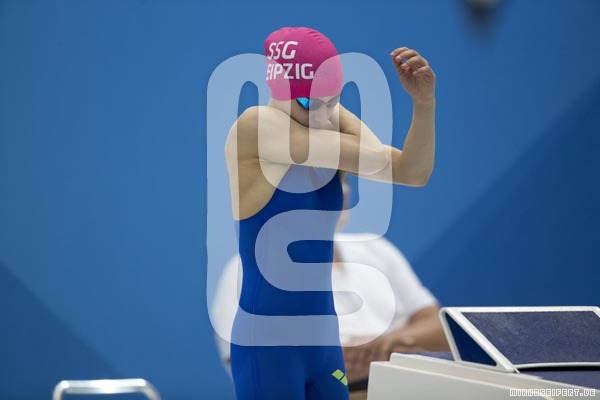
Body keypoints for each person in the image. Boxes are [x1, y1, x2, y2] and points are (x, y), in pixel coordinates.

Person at [224, 26, 436, 400]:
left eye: (332, 101)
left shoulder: (322, 122)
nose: (322, 115)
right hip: (270, 344)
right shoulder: (255, 127)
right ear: (278, 89)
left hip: (324, 340)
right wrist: (342, 117)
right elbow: (376, 157)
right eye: (310, 104)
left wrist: (424, 105)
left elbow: (412, 172)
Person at [212, 183, 449, 399]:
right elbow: (256, 365)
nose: (342, 190)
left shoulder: (377, 249)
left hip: (413, 386)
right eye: (322, 181)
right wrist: (375, 356)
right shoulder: (248, 270)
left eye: (342, 179)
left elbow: (441, 329)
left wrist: (385, 343)